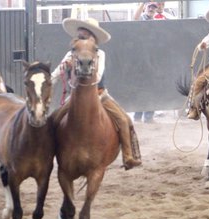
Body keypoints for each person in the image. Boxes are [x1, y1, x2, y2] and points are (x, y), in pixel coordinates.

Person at [50, 18, 142, 170]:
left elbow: (97, 76)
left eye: (84, 36)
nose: (81, 39)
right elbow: (57, 73)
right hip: (76, 97)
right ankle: (49, 152)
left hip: (99, 95)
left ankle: (128, 156)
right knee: (53, 120)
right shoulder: (71, 54)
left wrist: (79, 70)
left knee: (124, 120)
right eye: (79, 36)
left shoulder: (100, 54)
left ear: (92, 38)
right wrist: (48, 82)